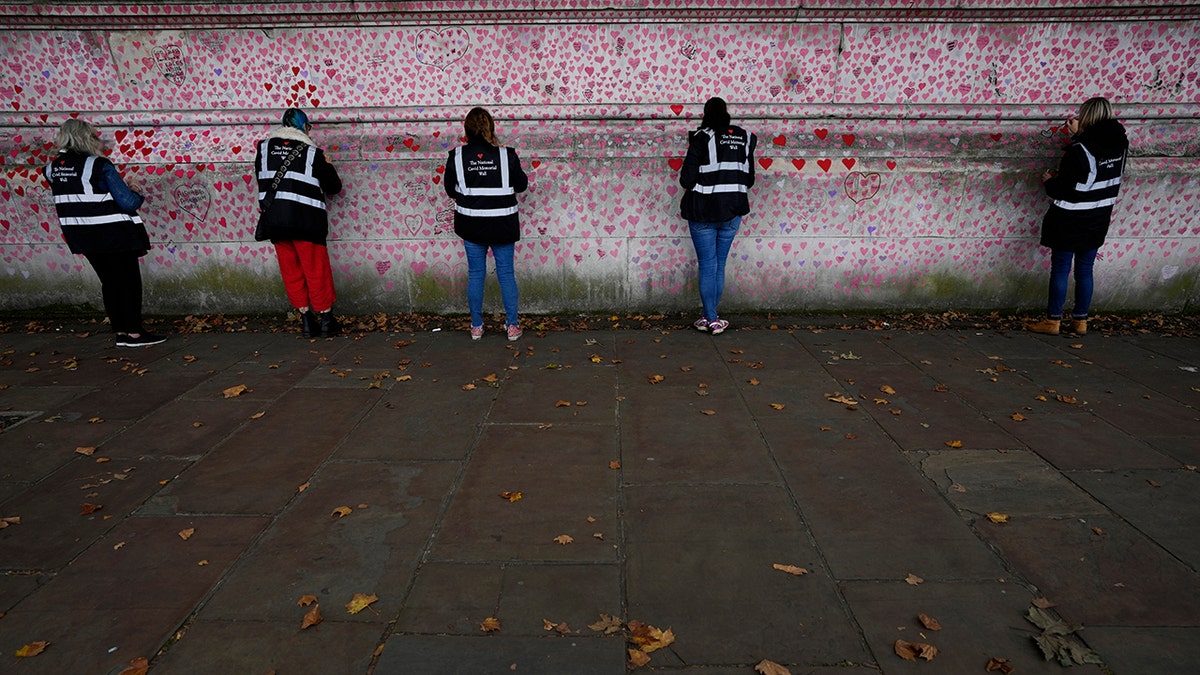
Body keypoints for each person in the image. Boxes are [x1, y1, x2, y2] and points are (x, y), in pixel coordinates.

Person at [44, 119, 165, 347]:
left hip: (81, 235)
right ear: (87, 138)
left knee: (109, 282)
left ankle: (120, 332)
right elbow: (128, 202)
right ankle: (135, 334)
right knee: (128, 282)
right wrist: (135, 190)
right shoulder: (99, 165)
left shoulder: (52, 169)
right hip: (113, 232)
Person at [1028, 97, 1128, 336]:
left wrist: (1049, 181)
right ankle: (1080, 321)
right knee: (1085, 269)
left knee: (1061, 268)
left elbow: (1064, 188)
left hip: (1070, 218)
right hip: (1099, 215)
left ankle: (1053, 321)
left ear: (1087, 117)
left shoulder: (1079, 149)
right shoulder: (1121, 145)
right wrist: (1079, 136)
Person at [255, 108, 343, 337]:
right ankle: (325, 319)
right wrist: (329, 164)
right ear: (304, 127)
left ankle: (306, 320)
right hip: (306, 220)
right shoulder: (313, 153)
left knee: (291, 270)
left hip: (275, 220)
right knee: (315, 270)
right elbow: (334, 187)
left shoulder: (263, 149)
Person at [444, 107, 528, 341]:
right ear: (490, 127)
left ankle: (477, 327)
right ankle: (512, 327)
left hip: (471, 225)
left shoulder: (457, 157)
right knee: (506, 274)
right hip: (503, 225)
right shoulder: (506, 155)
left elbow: (450, 189)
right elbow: (521, 185)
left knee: (476, 274)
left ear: (467, 130)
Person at [678, 97, 757, 335]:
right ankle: (710, 316)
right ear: (726, 113)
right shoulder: (745, 138)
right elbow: (749, 179)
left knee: (708, 264)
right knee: (719, 265)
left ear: (706, 114)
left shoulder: (703, 137)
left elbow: (686, 180)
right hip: (732, 211)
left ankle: (711, 319)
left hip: (703, 211)